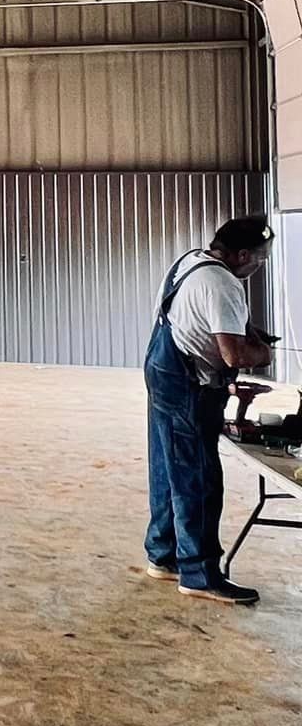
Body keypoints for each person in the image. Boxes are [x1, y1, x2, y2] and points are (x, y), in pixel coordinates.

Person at [145, 215, 275, 605]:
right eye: (260, 259)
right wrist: (262, 354)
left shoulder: (190, 262)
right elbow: (233, 352)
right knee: (198, 479)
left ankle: (163, 555)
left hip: (164, 371)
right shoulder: (223, 285)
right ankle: (199, 574)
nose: (259, 266)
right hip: (189, 387)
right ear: (241, 255)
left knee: (169, 469)